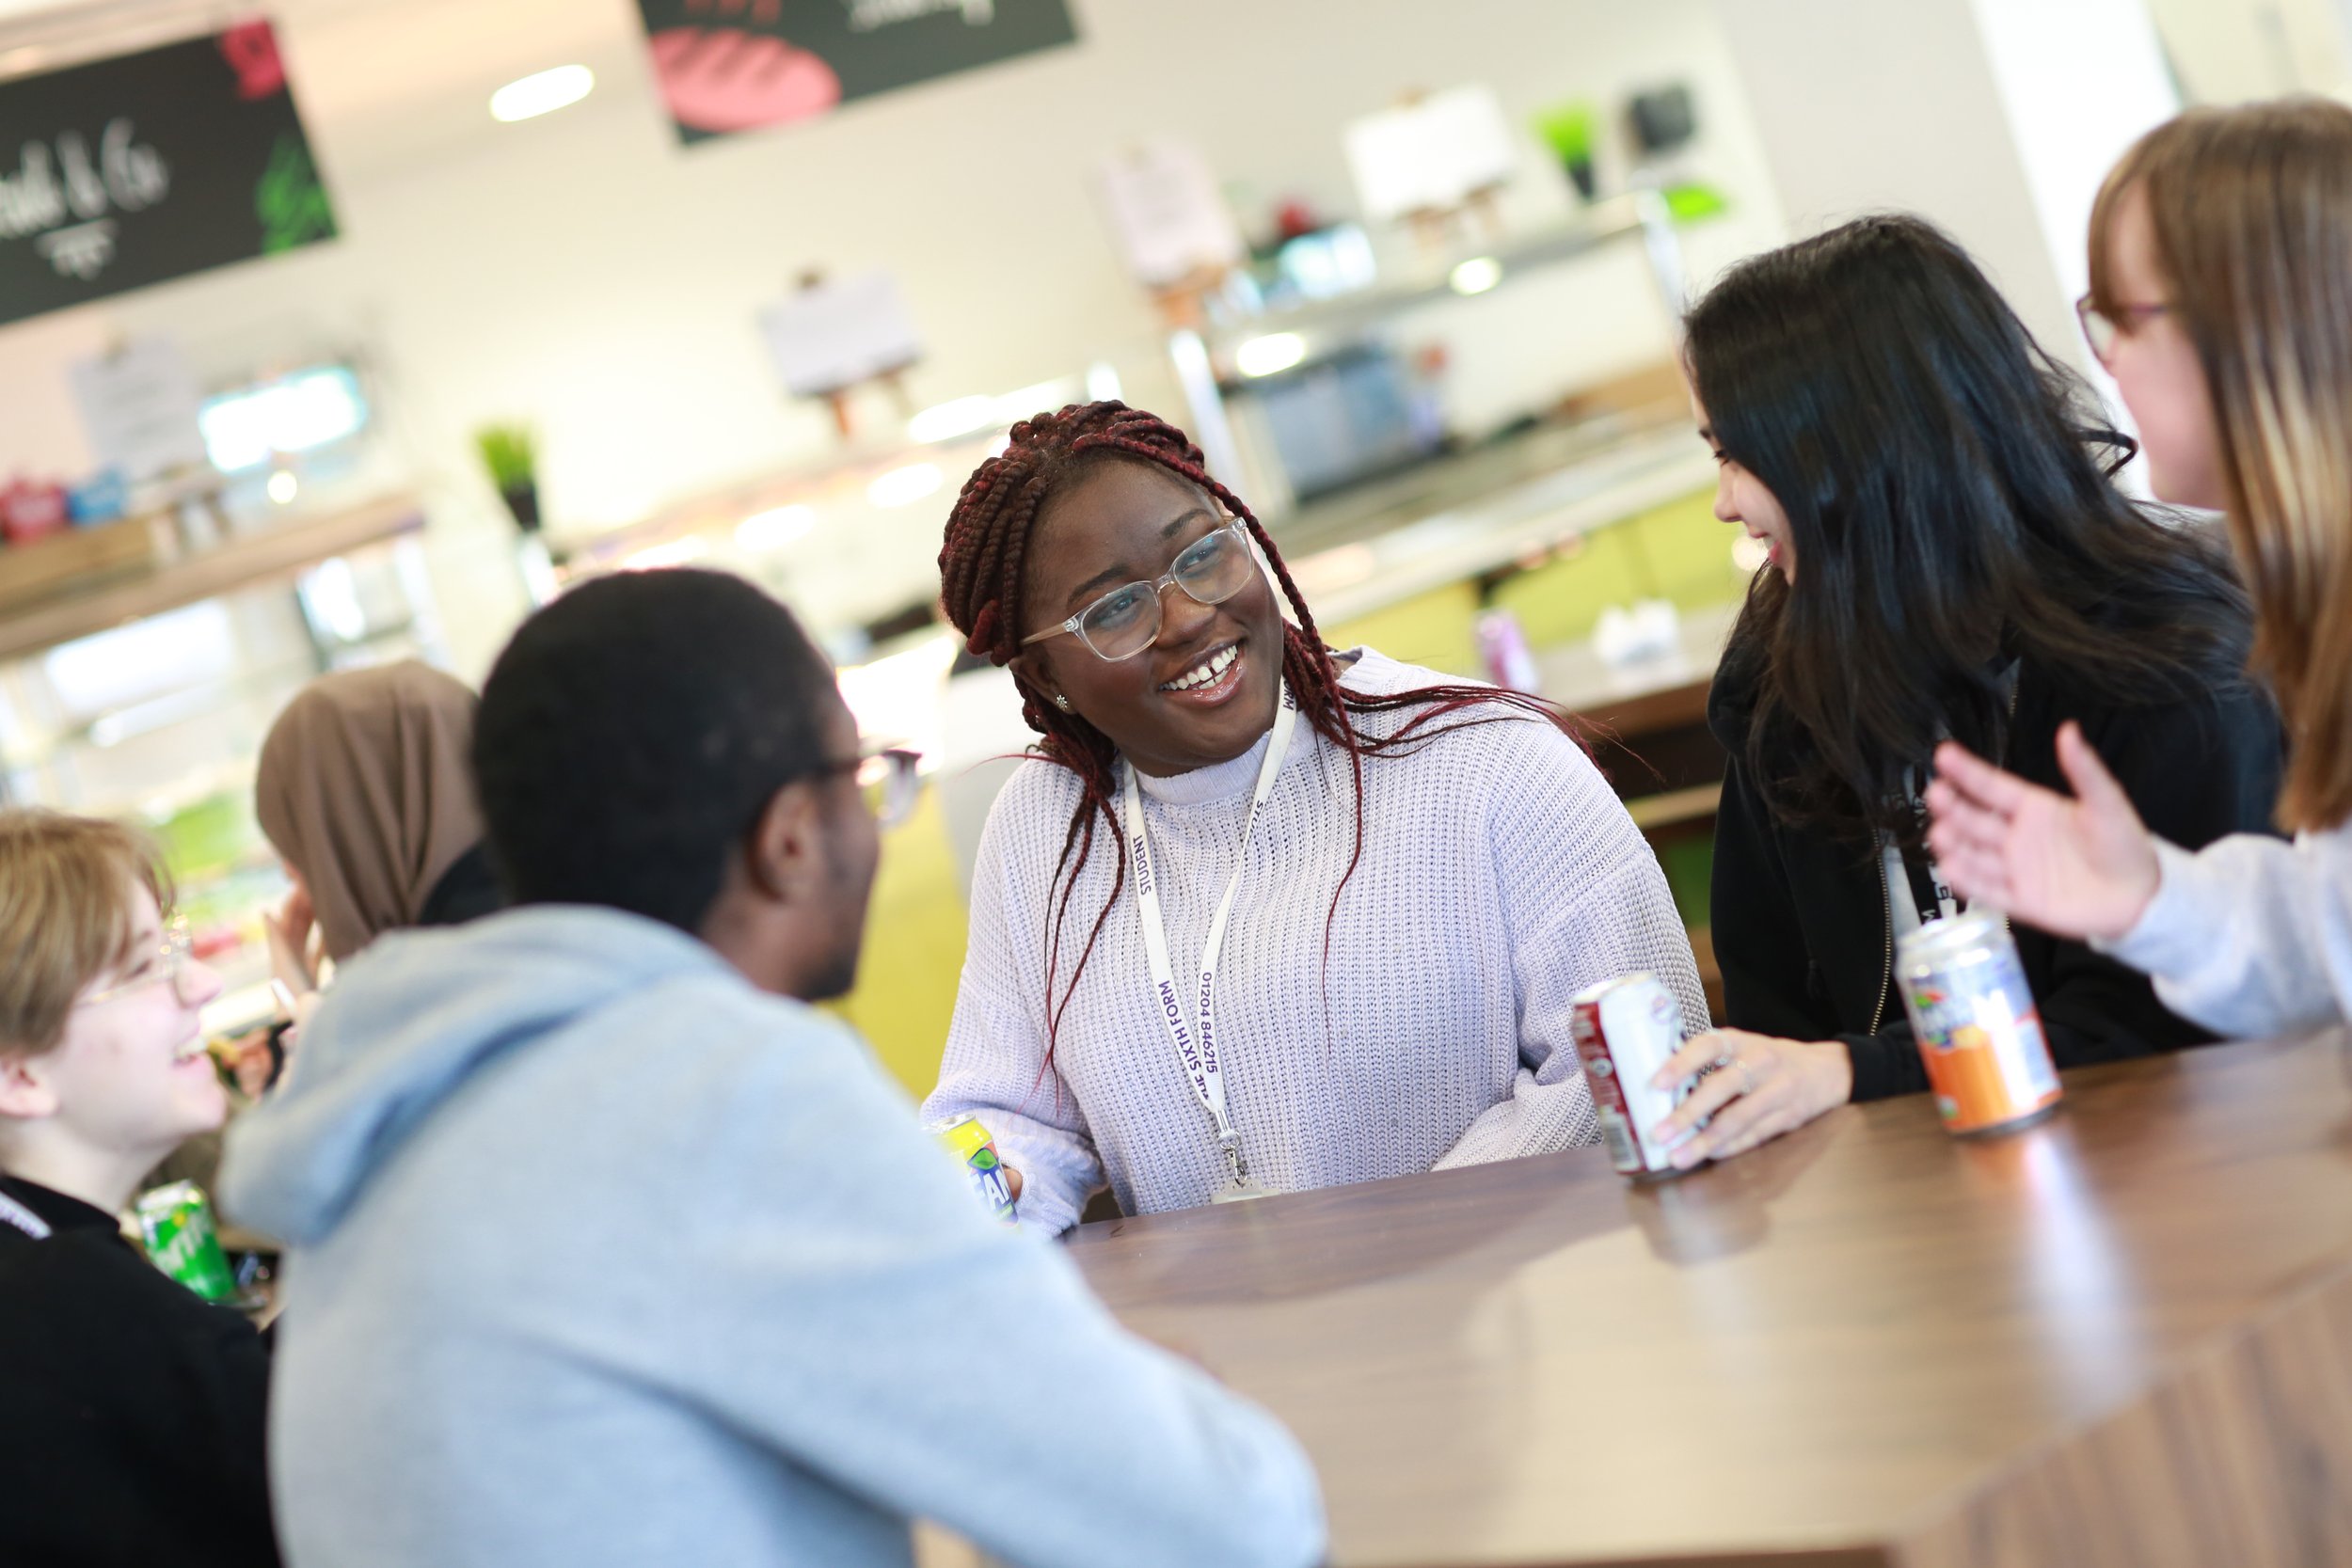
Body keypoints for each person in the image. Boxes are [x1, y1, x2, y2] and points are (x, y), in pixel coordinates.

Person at [218, 568, 1325, 1568]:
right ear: (790, 835)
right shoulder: (713, 1090)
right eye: (862, 775)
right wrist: (1160, 1409)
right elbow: (1223, 1522)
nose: (875, 817)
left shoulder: (391, 1114)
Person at [922, 401, 1707, 1234]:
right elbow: (1012, 1116)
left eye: (1204, 554)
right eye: (1114, 610)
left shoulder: (1483, 757)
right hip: (1230, 1348)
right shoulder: (1046, 831)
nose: (1187, 617)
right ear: (1045, 677)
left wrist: (1381, 1257)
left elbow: (1632, 1062)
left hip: (1530, 1306)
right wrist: (983, 1187)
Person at [1643, 214, 2282, 1170]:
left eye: (1734, 453)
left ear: (1848, 450)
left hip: (2190, 1172)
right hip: (1916, 1206)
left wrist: (1856, 1074)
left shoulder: (2165, 657)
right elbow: (1778, 1013)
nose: (1723, 501)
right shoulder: (1785, 678)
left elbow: (2162, 1031)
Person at [1929, 102, 2352, 1043]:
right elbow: (2331, 938)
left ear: (2259, 329)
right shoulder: (2312, 589)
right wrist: (2148, 894)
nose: (2106, 357)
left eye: (2126, 315)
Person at [0, 810, 279, 1568]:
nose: (202, 980)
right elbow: (347, 1473)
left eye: (174, 947)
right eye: (141, 967)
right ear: (20, 1074)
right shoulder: (63, 1295)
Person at [254, 659, 502, 981]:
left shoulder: (450, 978)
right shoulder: (543, 904)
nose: (289, 873)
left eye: (302, 842)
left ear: (352, 826)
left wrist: (306, 1003)